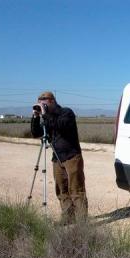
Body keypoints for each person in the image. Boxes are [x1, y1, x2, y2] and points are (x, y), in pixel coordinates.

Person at [31, 91, 88, 224]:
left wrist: (45, 115)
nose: (41, 104)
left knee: (76, 190)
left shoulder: (66, 113)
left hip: (72, 156)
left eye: (43, 101)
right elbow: (36, 133)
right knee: (61, 189)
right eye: (39, 102)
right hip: (57, 158)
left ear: (51, 100)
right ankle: (68, 218)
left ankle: (81, 222)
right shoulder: (47, 117)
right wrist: (35, 117)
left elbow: (60, 126)